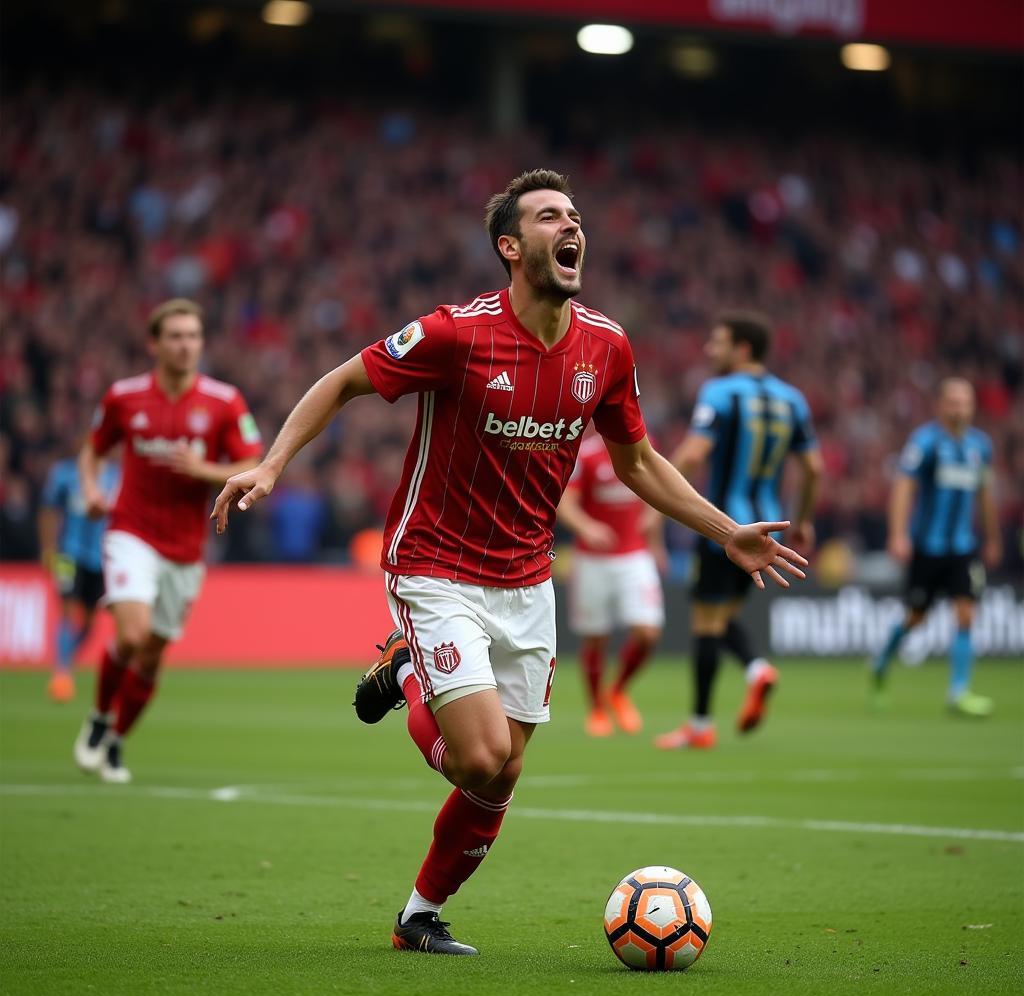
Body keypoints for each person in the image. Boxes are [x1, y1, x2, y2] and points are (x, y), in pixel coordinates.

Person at [212, 169, 807, 956]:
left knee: (501, 774)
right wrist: (272, 462)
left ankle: (418, 917)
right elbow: (346, 380)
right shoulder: (455, 333)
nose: (572, 226)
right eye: (550, 216)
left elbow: (639, 462)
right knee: (482, 753)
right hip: (434, 562)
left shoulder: (607, 345)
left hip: (528, 579)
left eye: (576, 216)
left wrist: (724, 529)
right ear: (510, 245)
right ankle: (412, 671)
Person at [73, 298, 262, 783]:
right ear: (154, 344)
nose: (185, 345)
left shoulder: (224, 401)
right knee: (131, 637)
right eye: (175, 336)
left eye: (193, 336)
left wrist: (204, 470)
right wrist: (93, 490)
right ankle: (97, 718)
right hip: (130, 531)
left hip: (185, 549)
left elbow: (253, 464)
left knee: (152, 653)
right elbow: (92, 452)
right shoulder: (124, 396)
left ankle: (116, 741)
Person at [656, 313, 822, 751]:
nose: (710, 351)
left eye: (718, 343)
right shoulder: (794, 399)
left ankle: (701, 723)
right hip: (769, 529)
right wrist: (801, 519)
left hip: (724, 528)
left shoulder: (721, 391)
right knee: (723, 617)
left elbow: (693, 452)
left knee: (705, 623)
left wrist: (657, 498)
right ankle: (755, 671)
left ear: (742, 349)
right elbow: (813, 467)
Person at [871, 378, 1002, 715]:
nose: (960, 408)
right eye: (954, 402)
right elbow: (903, 488)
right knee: (916, 618)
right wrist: (898, 534)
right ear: (941, 405)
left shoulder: (980, 446)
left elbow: (985, 495)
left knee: (966, 613)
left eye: (965, 402)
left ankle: (958, 692)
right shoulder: (925, 442)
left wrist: (992, 537)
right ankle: (881, 664)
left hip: (963, 547)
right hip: (927, 547)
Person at [557, 430, 664, 737]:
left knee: (647, 633)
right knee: (596, 638)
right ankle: (597, 709)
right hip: (593, 559)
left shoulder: (645, 444)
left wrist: (655, 535)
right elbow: (566, 502)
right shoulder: (587, 455)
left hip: (635, 555)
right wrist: (586, 527)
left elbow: (657, 487)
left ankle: (617, 690)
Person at [37, 452, 120, 702]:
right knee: (67, 610)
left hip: (100, 558)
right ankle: (61, 672)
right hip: (67, 555)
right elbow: (49, 510)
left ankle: (65, 659)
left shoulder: (117, 476)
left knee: (90, 623)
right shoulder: (64, 473)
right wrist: (48, 548)